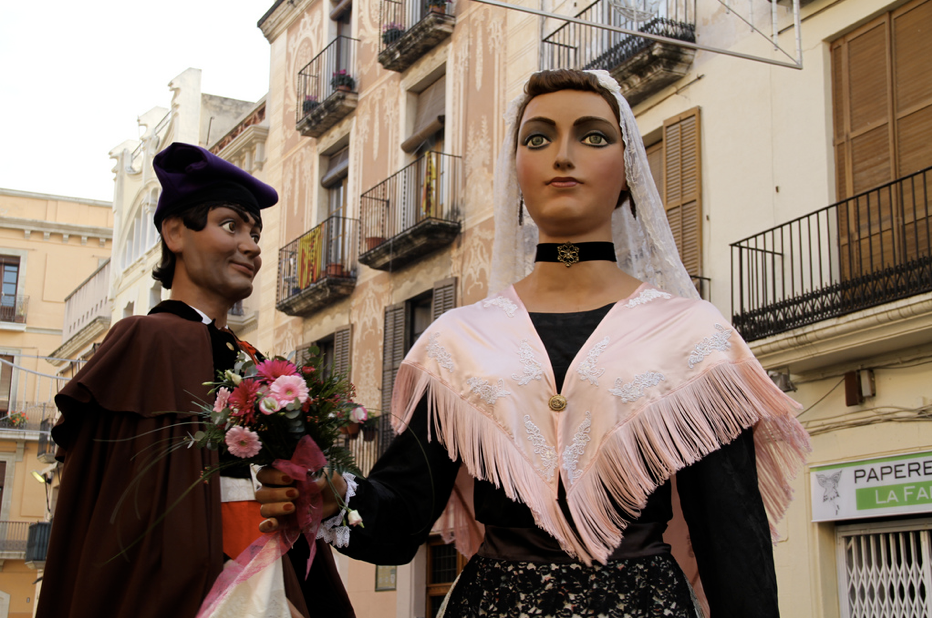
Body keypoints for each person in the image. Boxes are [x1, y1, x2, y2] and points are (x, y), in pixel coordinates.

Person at [258, 70, 810, 617]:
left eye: (593, 136)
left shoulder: (694, 338)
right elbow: (399, 521)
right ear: (516, 170)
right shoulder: (457, 342)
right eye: (538, 138)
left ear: (628, 171)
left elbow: (732, 543)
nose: (562, 156)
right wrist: (329, 494)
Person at [37, 143, 354, 618]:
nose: (251, 245)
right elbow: (121, 512)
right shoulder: (145, 342)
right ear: (175, 233)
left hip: (272, 576)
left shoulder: (256, 360)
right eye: (231, 225)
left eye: (255, 232)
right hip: (186, 590)